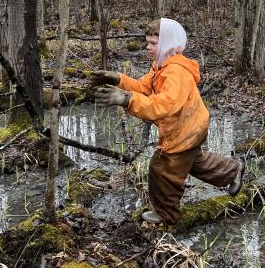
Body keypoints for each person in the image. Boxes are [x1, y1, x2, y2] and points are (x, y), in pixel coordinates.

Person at [91, 18, 244, 224]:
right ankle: (233, 170)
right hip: (190, 126)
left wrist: (127, 99)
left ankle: (167, 216)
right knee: (195, 162)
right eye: (148, 42)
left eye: (153, 43)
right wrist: (119, 79)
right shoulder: (161, 66)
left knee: (161, 169)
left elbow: (164, 106)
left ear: (168, 43)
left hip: (185, 130)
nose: (148, 47)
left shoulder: (176, 72)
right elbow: (145, 88)